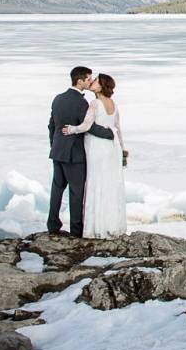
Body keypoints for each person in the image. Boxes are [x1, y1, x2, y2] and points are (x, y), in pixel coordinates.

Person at [46, 66, 114, 237]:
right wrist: (109, 133)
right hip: (74, 155)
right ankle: (76, 231)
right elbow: (89, 127)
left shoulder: (58, 99)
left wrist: (54, 145)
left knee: (57, 188)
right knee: (77, 192)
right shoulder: (81, 102)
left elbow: (51, 125)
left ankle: (52, 225)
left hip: (58, 151)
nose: (90, 82)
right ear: (80, 81)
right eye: (89, 79)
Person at [62, 72, 129, 238]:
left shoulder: (95, 103)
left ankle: (96, 227)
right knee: (110, 185)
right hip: (112, 149)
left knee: (96, 183)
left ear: (101, 86)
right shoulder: (113, 104)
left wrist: (71, 129)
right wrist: (123, 150)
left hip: (97, 148)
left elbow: (85, 126)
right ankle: (112, 225)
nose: (92, 82)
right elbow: (118, 129)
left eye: (96, 81)